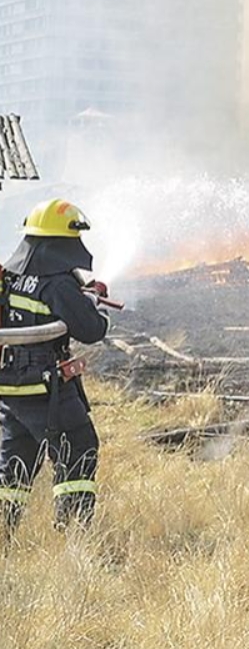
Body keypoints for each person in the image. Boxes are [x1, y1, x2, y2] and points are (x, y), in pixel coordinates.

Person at [0, 198, 111, 530]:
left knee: (15, 462)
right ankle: (73, 533)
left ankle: (4, 535)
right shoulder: (58, 283)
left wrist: (83, 294)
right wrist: (94, 305)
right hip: (45, 389)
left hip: (10, 389)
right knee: (78, 448)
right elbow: (91, 329)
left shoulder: (10, 275)